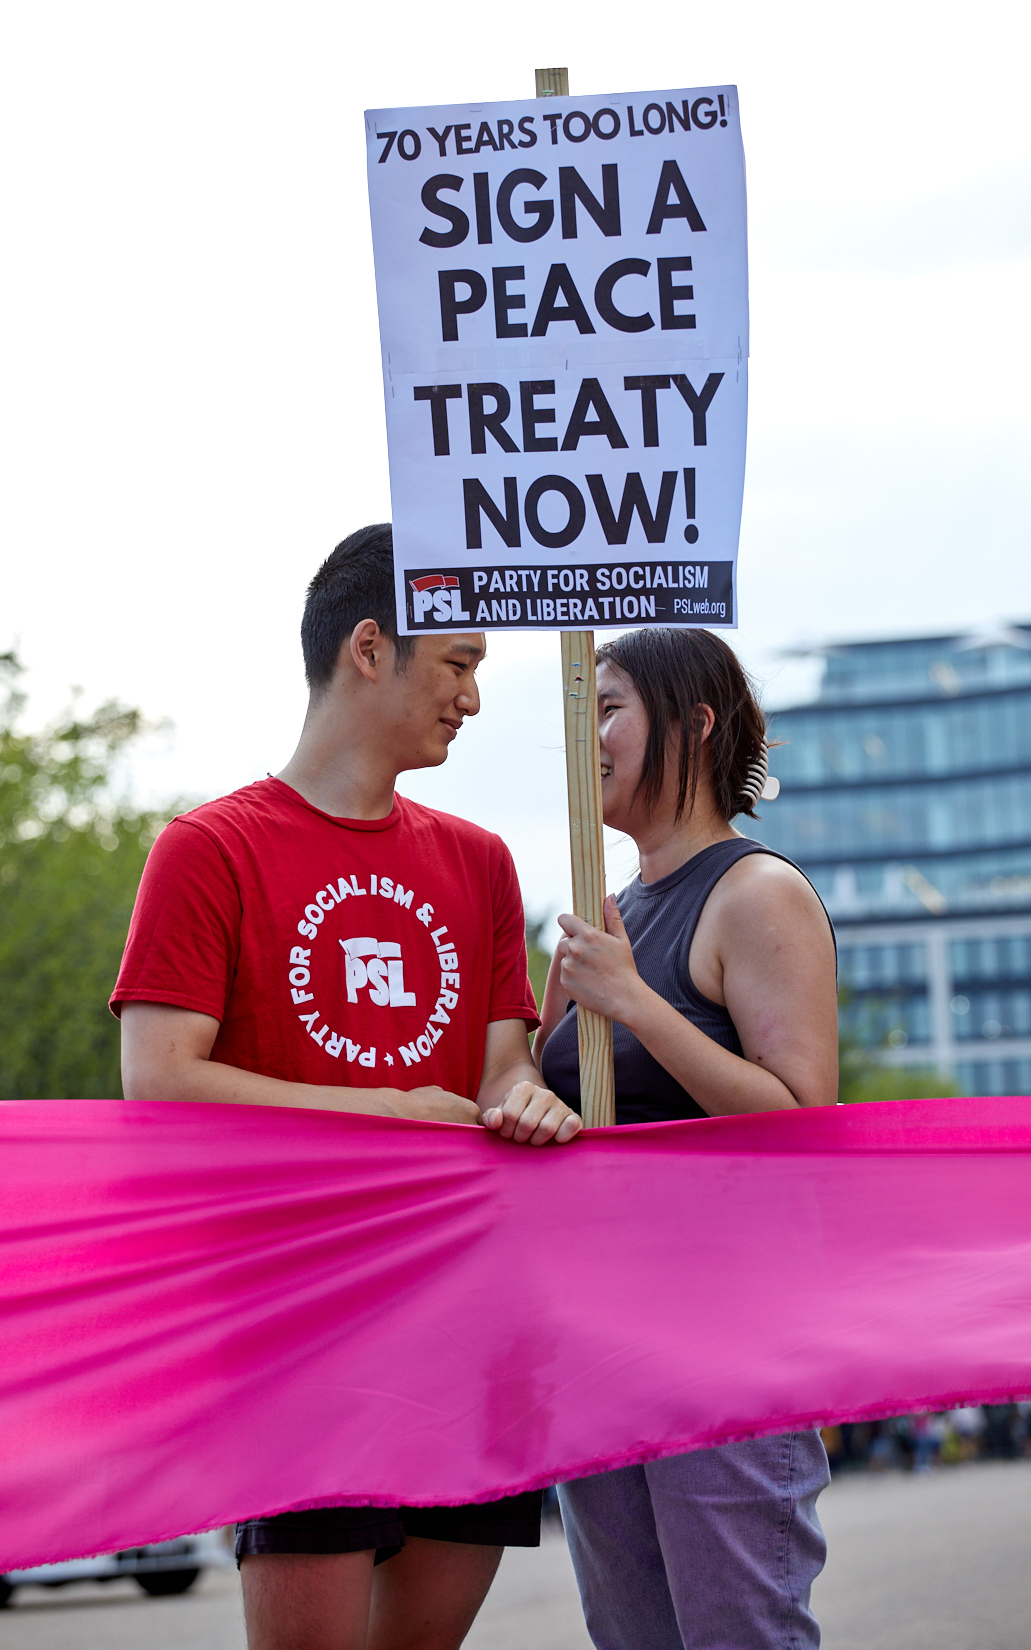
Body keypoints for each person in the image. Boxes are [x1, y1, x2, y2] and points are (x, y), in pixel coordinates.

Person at [111, 523, 580, 1650]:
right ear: (369, 649)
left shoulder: (479, 861)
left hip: (469, 1310)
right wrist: (394, 1116)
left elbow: (500, 1064)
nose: (472, 698)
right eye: (458, 663)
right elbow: (159, 1084)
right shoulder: (208, 849)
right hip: (298, 1318)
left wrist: (527, 1094)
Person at [534, 626, 839, 1650]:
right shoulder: (600, 918)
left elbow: (801, 1123)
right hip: (595, 1341)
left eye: (607, 707)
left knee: (734, 1631)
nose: (585, 737)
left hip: (725, 1340)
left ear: (695, 723)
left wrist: (634, 1003)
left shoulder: (755, 894)